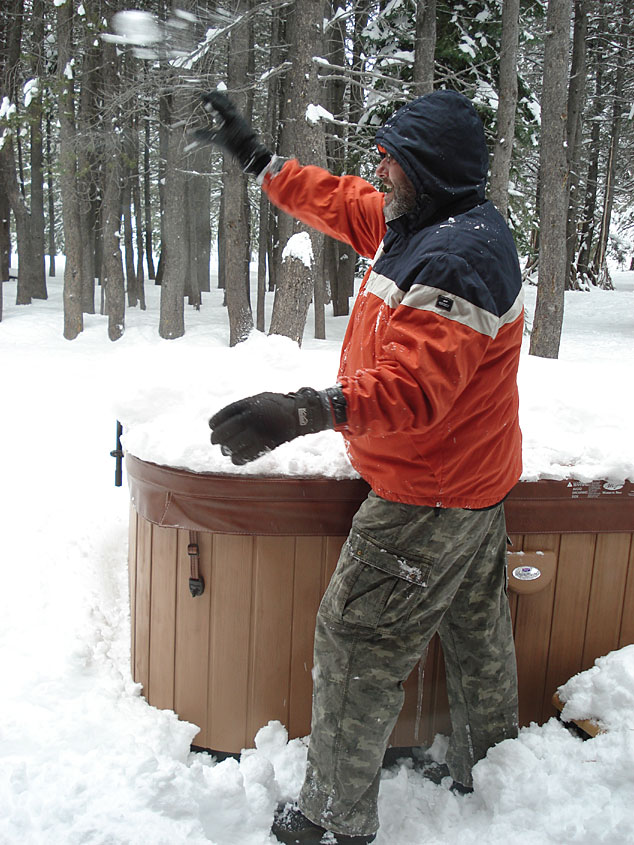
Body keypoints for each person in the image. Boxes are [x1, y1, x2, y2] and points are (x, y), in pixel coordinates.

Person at [197, 88, 524, 845]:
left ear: (429, 170)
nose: (378, 165)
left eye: (393, 157)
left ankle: (332, 819)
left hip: (428, 496)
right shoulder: (421, 222)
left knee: (354, 643)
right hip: (475, 481)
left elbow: (415, 390)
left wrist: (306, 408)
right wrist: (261, 162)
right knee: (478, 637)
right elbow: (343, 202)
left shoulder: (459, 257)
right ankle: (504, 775)